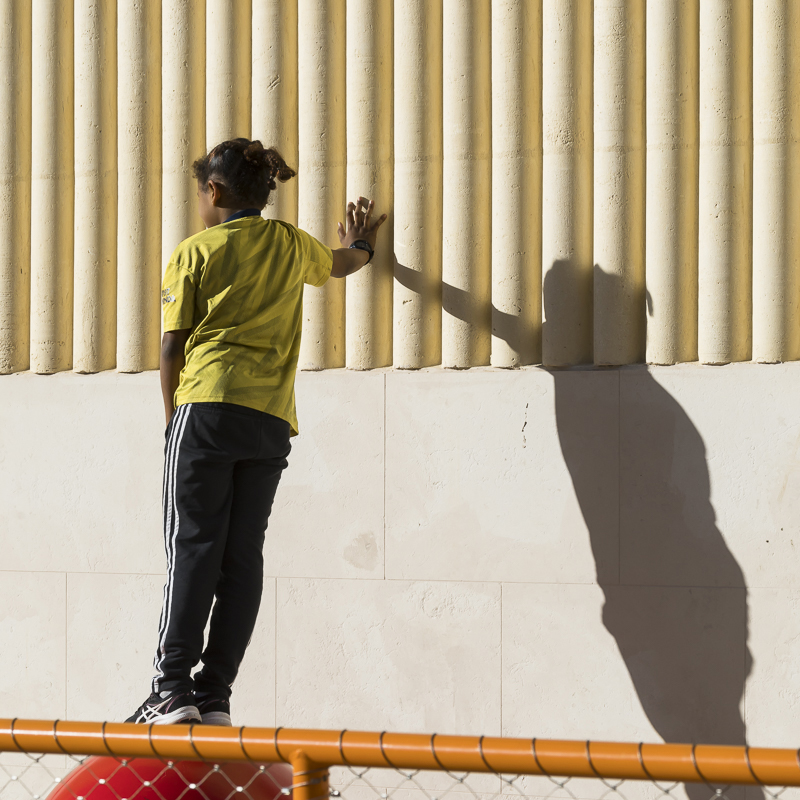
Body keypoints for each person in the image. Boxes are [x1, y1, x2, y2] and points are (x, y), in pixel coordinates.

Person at [126, 137, 386, 725]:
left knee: (192, 547)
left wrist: (172, 422)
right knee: (242, 557)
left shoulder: (195, 253)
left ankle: (170, 689)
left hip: (206, 410)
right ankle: (213, 693)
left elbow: (171, 348)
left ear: (213, 192)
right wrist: (363, 245)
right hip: (269, 421)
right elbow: (343, 263)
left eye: (199, 192)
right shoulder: (290, 244)